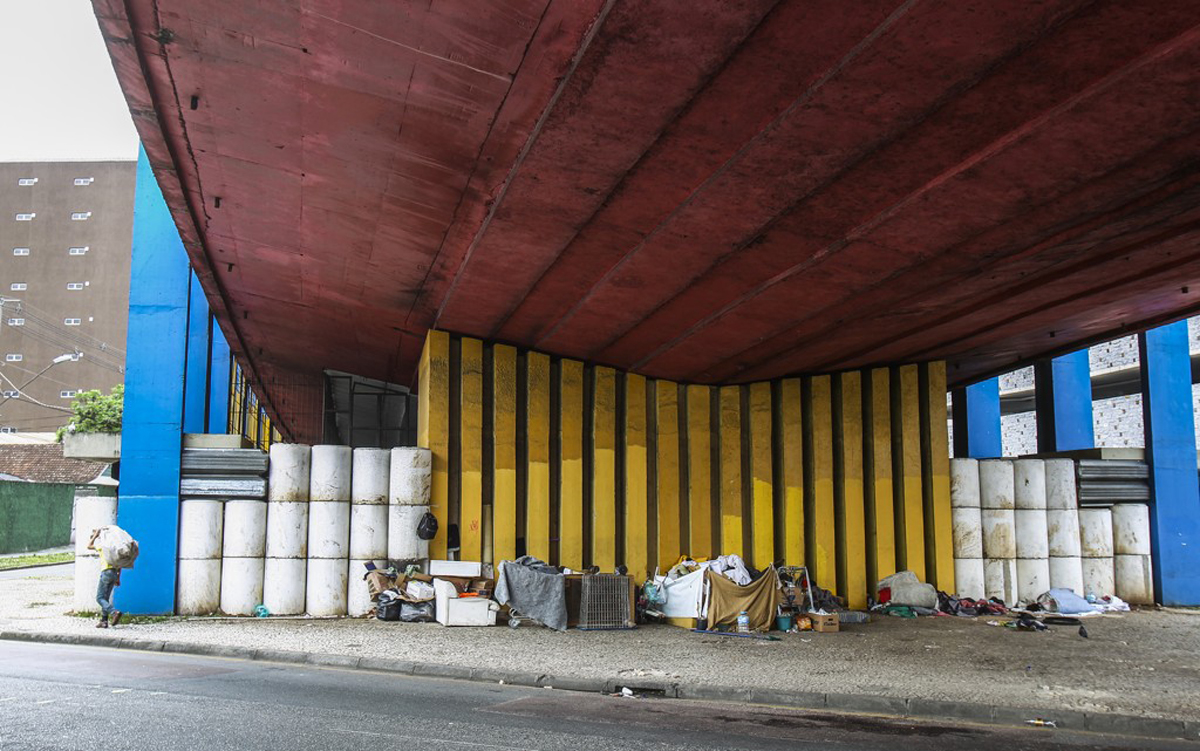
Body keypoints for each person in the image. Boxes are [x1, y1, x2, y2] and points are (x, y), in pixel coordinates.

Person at [87, 528, 122, 628]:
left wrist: (95, 536)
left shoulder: (103, 546)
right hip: (114, 573)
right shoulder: (115, 547)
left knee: (99, 598)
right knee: (105, 598)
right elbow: (120, 565)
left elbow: (88, 546)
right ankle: (104, 621)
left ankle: (114, 612)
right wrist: (118, 578)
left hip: (106, 572)